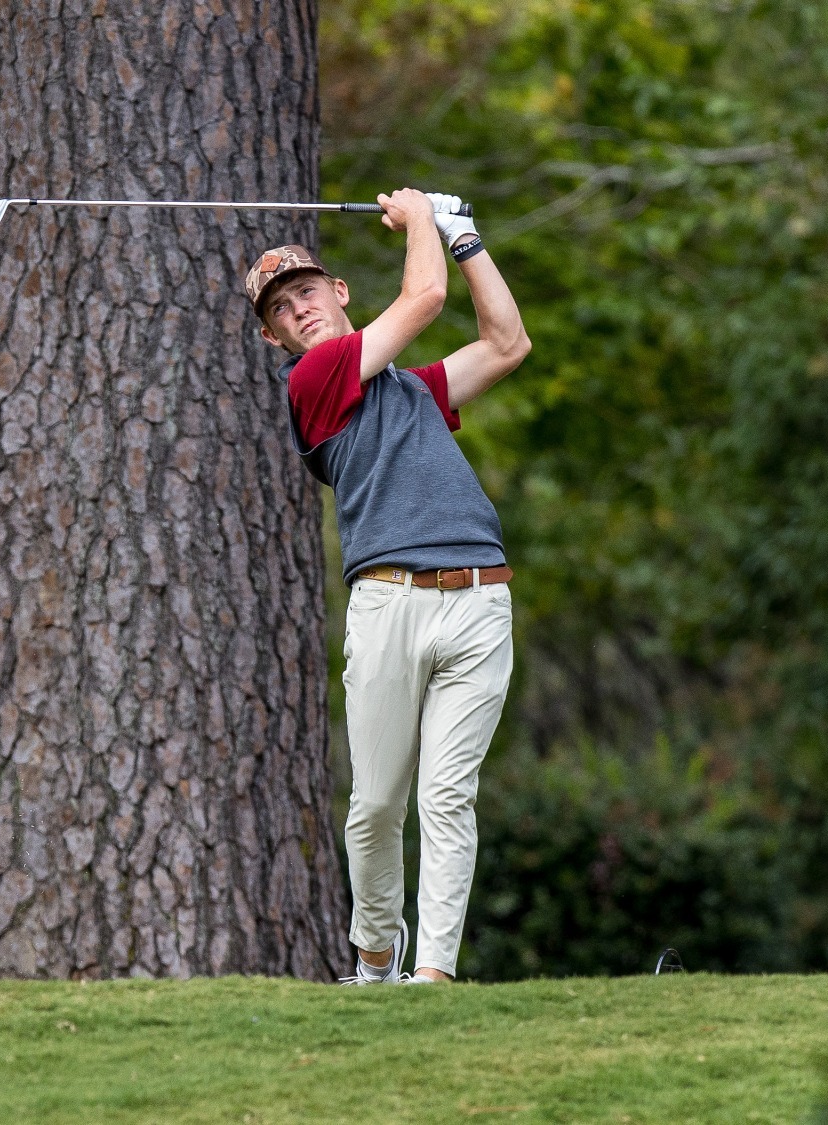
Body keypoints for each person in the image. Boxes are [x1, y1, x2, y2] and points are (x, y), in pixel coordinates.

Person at [244, 188, 530, 983]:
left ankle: (434, 979)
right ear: (275, 338)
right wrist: (418, 218)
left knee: (446, 800)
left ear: (337, 292)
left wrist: (466, 238)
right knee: (375, 807)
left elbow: (506, 344)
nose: (297, 308)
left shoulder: (414, 392)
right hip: (389, 604)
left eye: (306, 290)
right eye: (281, 309)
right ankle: (376, 956)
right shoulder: (314, 383)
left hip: (481, 600)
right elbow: (425, 297)